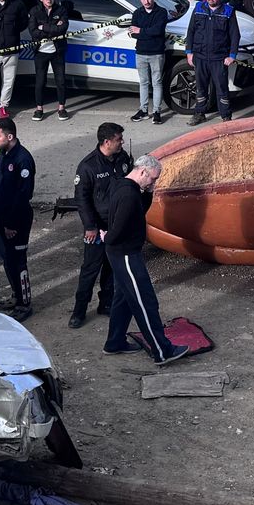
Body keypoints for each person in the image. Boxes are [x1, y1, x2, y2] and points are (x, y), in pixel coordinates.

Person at [98, 154, 190, 364]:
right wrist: (108, 237)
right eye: (152, 179)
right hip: (127, 254)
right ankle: (162, 351)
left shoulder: (123, 186)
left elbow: (137, 213)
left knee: (123, 299)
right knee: (144, 301)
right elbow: (120, 227)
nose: (153, 183)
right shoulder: (130, 196)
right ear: (141, 172)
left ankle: (114, 342)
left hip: (119, 253)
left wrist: (147, 193)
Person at [68, 122, 134, 328]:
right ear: (106, 142)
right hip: (97, 227)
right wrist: (90, 226)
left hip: (118, 224)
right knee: (90, 270)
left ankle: (106, 303)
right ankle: (79, 312)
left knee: (112, 268)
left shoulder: (122, 158)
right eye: (118, 139)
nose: (121, 142)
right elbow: (82, 199)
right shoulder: (88, 166)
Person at [0, 115, 36, 318]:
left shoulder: (23, 159)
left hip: (16, 220)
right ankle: (16, 295)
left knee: (18, 262)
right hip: (3, 217)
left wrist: (11, 224)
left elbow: (22, 195)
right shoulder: (4, 153)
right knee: (8, 260)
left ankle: (24, 303)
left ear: (9, 136)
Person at [186, 0, 237, 124]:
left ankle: (226, 116)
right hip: (200, 56)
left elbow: (234, 35)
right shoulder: (198, 8)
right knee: (201, 88)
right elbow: (190, 31)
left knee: (222, 89)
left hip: (219, 58)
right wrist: (189, 52)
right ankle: (199, 113)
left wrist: (232, 55)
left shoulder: (228, 11)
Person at [124, 0, 170, 123]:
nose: (146, 2)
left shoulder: (161, 12)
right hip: (141, 52)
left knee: (156, 82)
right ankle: (143, 110)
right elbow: (133, 34)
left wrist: (141, 31)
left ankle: (157, 111)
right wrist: (146, 32)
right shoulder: (137, 13)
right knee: (143, 82)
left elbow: (158, 31)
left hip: (156, 53)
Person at [26, 0, 73, 120]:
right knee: (40, 81)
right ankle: (39, 109)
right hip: (40, 52)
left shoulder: (61, 10)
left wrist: (44, 27)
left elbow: (62, 29)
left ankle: (62, 108)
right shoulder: (34, 11)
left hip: (57, 51)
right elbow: (33, 31)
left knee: (61, 81)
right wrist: (53, 28)